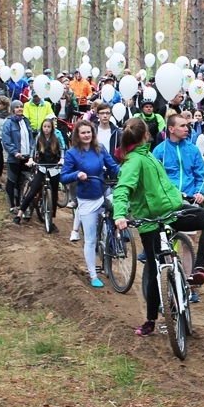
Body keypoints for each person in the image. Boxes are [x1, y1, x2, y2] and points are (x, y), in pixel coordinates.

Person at [113, 118, 204, 337]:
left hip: (171, 213)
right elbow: (122, 190)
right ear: (145, 135)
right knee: (156, 268)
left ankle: (199, 269)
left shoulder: (149, 155)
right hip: (151, 222)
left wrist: (182, 195)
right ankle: (150, 320)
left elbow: (163, 185)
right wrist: (120, 214)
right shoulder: (133, 162)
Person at [152, 112, 204, 285]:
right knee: (166, 245)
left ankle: (188, 281)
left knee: (188, 245)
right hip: (166, 204)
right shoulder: (159, 150)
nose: (187, 128)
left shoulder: (192, 150)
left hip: (189, 202)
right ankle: (169, 283)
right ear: (171, 128)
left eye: (187, 125)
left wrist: (201, 192)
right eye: (182, 126)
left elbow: (201, 175)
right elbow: (154, 178)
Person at [62, 120, 120, 286]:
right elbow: (64, 176)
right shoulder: (72, 153)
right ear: (78, 135)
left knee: (119, 211)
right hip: (87, 197)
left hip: (103, 191)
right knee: (90, 239)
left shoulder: (100, 148)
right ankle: (93, 275)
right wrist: (77, 174)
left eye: (89, 132)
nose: (87, 135)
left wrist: (124, 173)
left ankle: (114, 240)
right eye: (83, 133)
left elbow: (113, 167)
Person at [14, 115, 63, 230]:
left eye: (49, 127)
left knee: (55, 195)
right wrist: (31, 159)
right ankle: (19, 214)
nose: (46, 129)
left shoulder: (56, 139)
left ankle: (52, 220)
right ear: (42, 128)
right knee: (33, 190)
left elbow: (62, 151)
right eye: (45, 126)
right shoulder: (38, 138)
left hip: (54, 168)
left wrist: (62, 159)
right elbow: (33, 150)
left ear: (52, 128)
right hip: (41, 167)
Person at [1, 100, 34, 213]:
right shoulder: (8, 123)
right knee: (12, 180)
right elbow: (6, 141)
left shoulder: (26, 121)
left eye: (21, 107)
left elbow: (30, 139)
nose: (19, 109)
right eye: (17, 107)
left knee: (23, 181)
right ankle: (12, 205)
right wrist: (14, 152)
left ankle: (21, 204)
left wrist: (31, 152)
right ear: (13, 109)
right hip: (14, 158)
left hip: (26, 157)